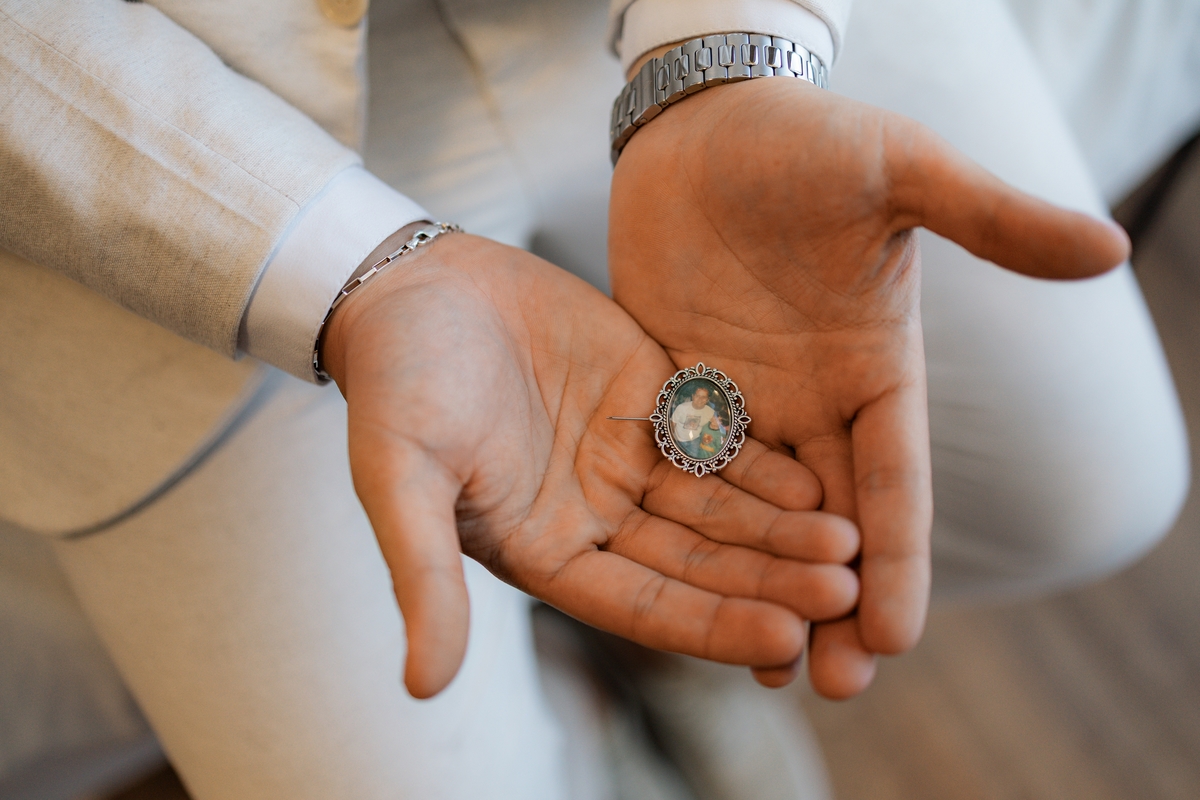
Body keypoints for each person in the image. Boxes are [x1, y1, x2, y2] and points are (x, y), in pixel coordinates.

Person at [0, 0, 1191, 798]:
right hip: (177, 152)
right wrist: (333, 270)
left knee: (1096, 489)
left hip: (631, 22)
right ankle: (586, 708)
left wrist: (730, 40)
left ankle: (647, 642)